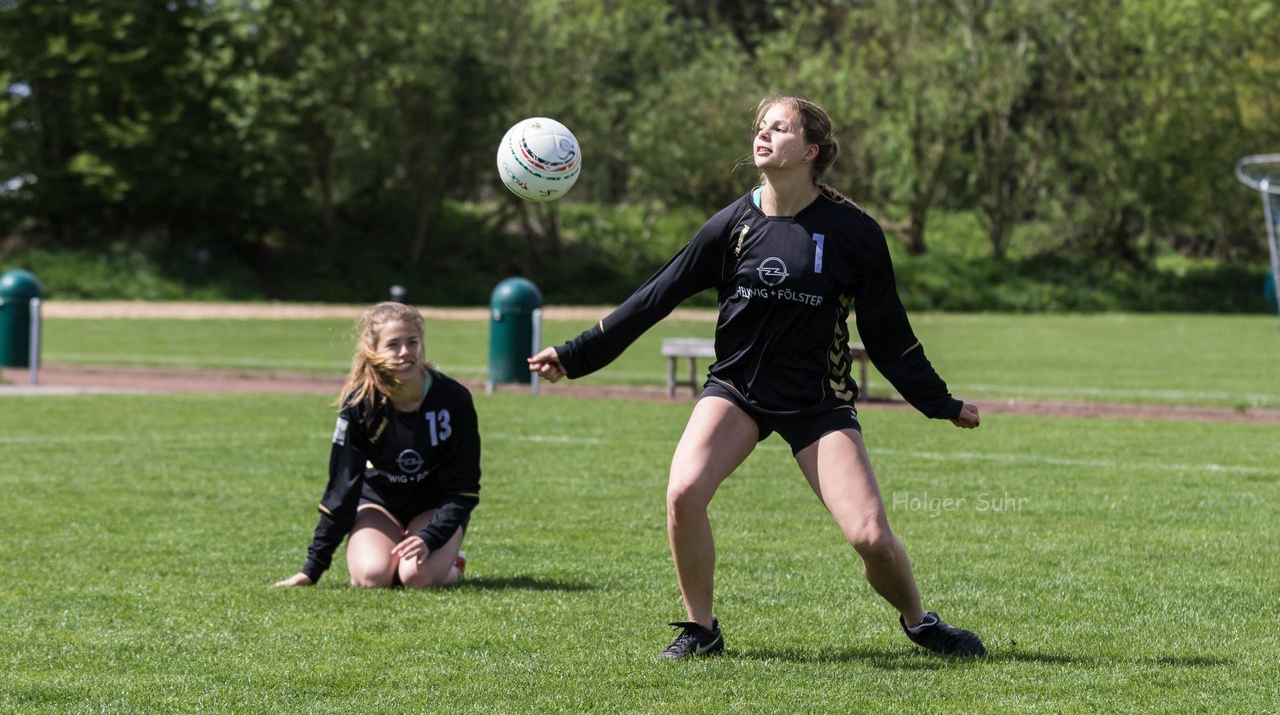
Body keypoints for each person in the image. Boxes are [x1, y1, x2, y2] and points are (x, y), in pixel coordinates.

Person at [529, 95, 985, 659]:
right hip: (737, 391)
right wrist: (574, 355)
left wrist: (940, 402)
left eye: (779, 128)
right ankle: (701, 629)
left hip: (816, 401)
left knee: (872, 539)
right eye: (760, 127)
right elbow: (655, 296)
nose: (763, 136)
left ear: (811, 150)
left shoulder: (854, 233)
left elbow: (889, 335)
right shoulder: (732, 224)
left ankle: (921, 623)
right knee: (684, 492)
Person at [276, 302, 479, 589]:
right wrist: (312, 569)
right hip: (379, 506)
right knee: (373, 577)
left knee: (416, 578)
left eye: (413, 342)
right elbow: (342, 488)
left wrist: (431, 536)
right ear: (374, 351)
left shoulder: (454, 399)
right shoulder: (361, 404)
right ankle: (388, 552)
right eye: (393, 344)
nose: (405, 352)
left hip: (434, 508)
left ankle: (453, 564)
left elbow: (465, 488)